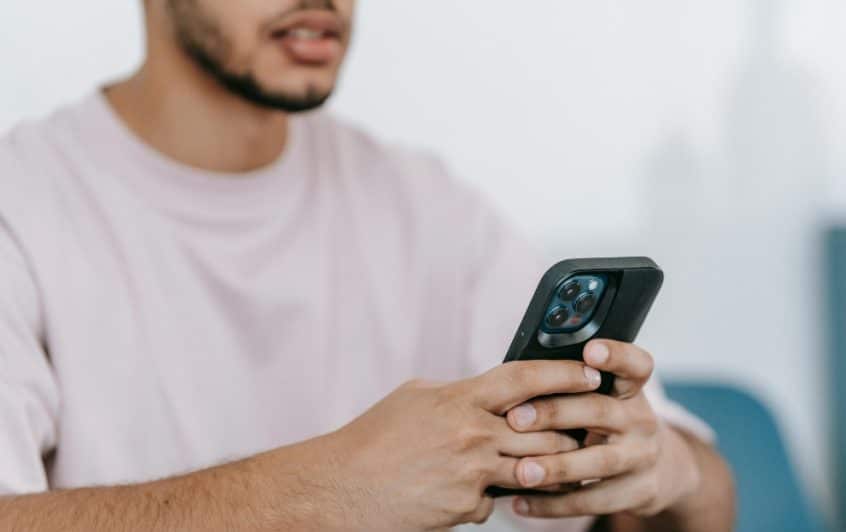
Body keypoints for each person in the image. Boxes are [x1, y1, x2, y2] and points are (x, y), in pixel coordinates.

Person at [0, 1, 735, 530]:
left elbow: (705, 500)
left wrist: (664, 470)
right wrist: (326, 495)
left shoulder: (426, 202)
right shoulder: (23, 205)